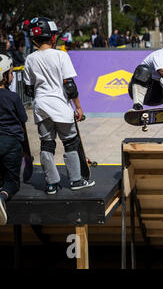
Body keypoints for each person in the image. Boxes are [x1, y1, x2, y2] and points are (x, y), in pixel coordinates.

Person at [24, 17, 95, 194]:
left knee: (47, 145)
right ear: (52, 37)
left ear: (34, 38)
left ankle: (51, 184)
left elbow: (28, 89)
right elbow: (69, 86)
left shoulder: (30, 59)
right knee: (70, 143)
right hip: (61, 107)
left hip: (41, 108)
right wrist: (78, 107)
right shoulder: (61, 55)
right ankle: (76, 180)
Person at [0, 54, 28, 225]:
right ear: (4, 76)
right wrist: (27, 154)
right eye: (10, 73)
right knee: (11, 181)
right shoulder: (13, 98)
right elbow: (23, 123)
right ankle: (2, 196)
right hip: (11, 143)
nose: (12, 76)